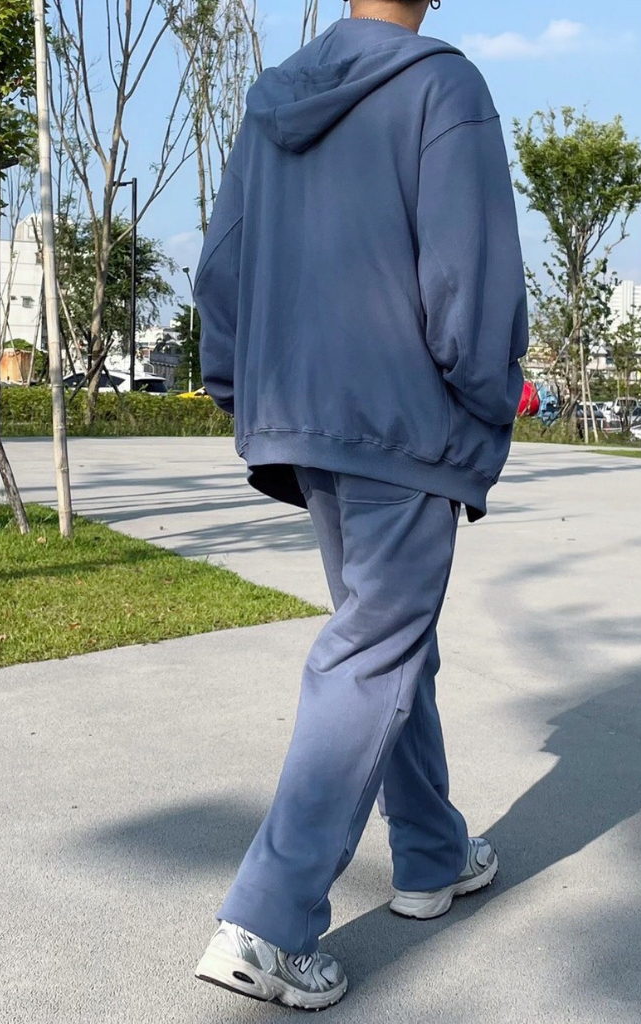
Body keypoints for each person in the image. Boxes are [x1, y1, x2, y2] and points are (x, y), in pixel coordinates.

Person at [192, 0, 528, 1009]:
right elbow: (471, 277)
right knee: (374, 647)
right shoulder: (443, 84)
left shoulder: (272, 98)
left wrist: (242, 388)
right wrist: (488, 398)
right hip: (403, 421)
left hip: (306, 418)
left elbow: (221, 268)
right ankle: (266, 921)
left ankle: (430, 852)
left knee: (388, 638)